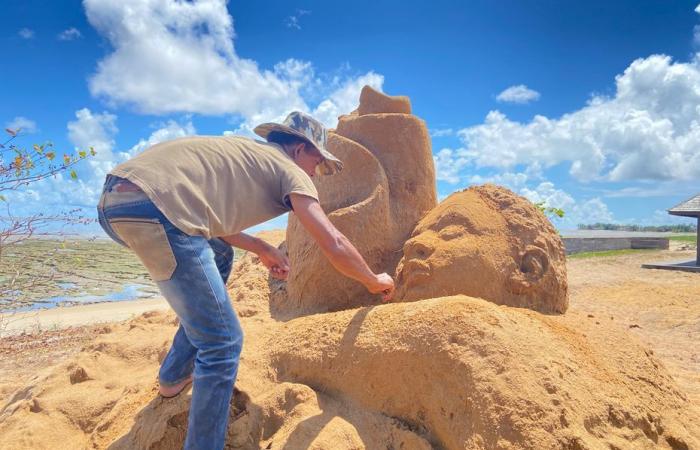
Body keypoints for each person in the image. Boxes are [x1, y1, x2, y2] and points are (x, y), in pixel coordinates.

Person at [96, 111, 395, 450]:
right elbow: (333, 242)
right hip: (155, 209)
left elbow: (202, 214)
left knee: (219, 255)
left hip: (115, 203)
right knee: (222, 343)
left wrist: (259, 246)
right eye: (317, 161)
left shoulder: (245, 154)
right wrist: (373, 279)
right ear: (299, 150)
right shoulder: (292, 171)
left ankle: (173, 376)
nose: (318, 172)